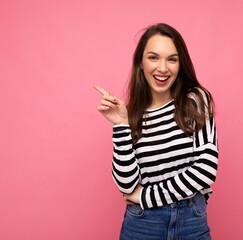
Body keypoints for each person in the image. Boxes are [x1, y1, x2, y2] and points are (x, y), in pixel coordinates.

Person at [93, 23, 218, 240]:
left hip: (191, 220)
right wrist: (121, 125)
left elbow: (206, 169)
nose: (162, 68)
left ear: (180, 64)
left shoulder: (195, 100)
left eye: (172, 59)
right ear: (140, 63)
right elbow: (126, 184)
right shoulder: (130, 115)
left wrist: (145, 195)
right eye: (153, 57)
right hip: (142, 224)